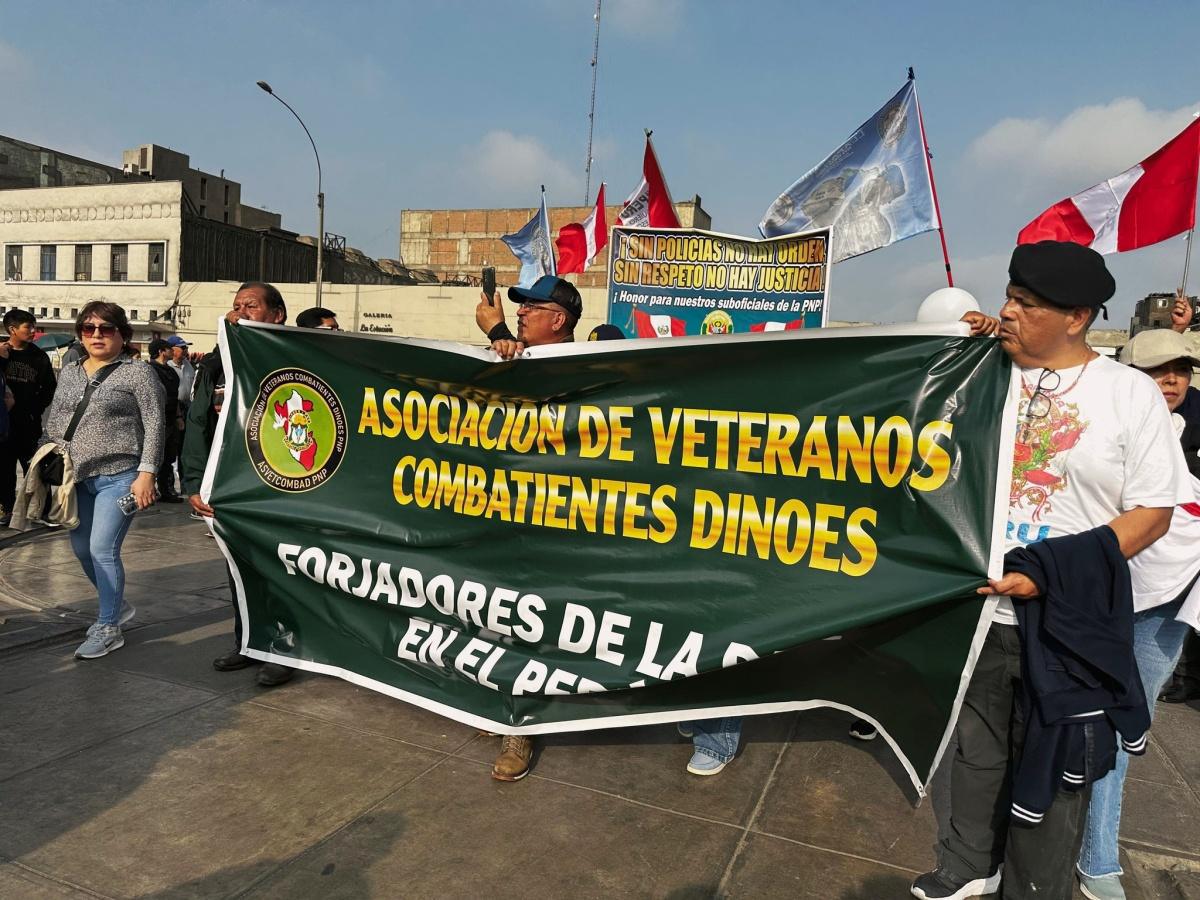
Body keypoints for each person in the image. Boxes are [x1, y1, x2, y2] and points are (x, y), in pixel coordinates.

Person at [911, 241, 1190, 900]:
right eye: (1008, 297)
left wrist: (1052, 572)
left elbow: (1152, 513)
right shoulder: (980, 371)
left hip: (1067, 625)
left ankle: (1035, 889)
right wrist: (970, 336)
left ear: (1077, 316)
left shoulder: (1127, 395)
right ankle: (966, 868)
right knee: (973, 757)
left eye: (1026, 305)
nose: (1008, 311)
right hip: (979, 614)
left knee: (1057, 774)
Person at [1074, 329, 1200, 900]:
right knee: (1071, 717)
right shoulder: (1103, 421)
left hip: (1168, 608)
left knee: (1126, 726)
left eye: (1180, 369)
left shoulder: (1190, 431)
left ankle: (1094, 852)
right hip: (1101, 595)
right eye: (1157, 370)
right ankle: (1083, 850)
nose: (1171, 380)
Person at [473, 275, 581, 780]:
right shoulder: (513, 359)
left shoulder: (582, 368)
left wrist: (496, 328)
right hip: (507, 517)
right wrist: (496, 338)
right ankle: (509, 713)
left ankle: (523, 722)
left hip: (561, 523)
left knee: (537, 622)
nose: (519, 315)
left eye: (530, 308)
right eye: (517, 310)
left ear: (558, 320)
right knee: (500, 615)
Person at [180, 281, 294, 688]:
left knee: (280, 570)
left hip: (282, 487)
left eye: (252, 306)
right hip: (230, 486)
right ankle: (248, 642)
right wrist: (194, 482)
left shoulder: (297, 358)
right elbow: (198, 425)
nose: (241, 312)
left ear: (276, 315)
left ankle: (284, 648)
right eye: (236, 306)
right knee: (239, 568)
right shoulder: (214, 366)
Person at [40, 302, 164, 659]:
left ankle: (108, 626)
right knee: (81, 550)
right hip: (75, 477)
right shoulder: (70, 370)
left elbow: (155, 423)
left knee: (101, 550)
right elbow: (57, 414)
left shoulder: (137, 373)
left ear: (122, 335)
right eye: (89, 328)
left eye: (106, 328)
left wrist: (147, 473)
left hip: (120, 476)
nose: (96, 334)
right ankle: (117, 605)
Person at [0, 310, 57, 526]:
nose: (33, 331)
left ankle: (43, 512)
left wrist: (35, 408)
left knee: (36, 467)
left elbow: (50, 387)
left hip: (28, 423)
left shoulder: (38, 356)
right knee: (3, 470)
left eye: (34, 326)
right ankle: (6, 509)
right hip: (4, 424)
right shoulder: (2, 352)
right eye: (28, 327)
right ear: (12, 329)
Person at [475, 274, 580, 362]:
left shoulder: (569, 365)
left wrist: (498, 332)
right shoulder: (528, 357)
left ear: (558, 320)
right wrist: (500, 350)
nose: (519, 312)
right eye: (523, 305)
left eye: (531, 306)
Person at [147, 338, 184, 502]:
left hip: (170, 420)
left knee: (169, 457)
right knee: (154, 457)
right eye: (169, 348)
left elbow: (174, 397)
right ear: (162, 351)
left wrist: (178, 417)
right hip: (156, 421)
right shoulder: (149, 370)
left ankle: (166, 490)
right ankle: (149, 491)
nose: (172, 351)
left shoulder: (170, 371)